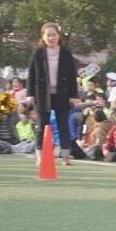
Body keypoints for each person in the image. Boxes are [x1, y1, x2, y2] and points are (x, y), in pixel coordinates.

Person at [27, 22, 79, 165]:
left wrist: (74, 96)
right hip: (43, 95)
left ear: (58, 36)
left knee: (63, 126)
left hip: (62, 94)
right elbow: (31, 75)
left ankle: (66, 156)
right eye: (48, 35)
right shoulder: (38, 53)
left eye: (54, 35)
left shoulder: (66, 53)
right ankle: (40, 155)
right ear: (43, 37)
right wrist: (30, 94)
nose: (51, 38)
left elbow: (71, 76)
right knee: (42, 126)